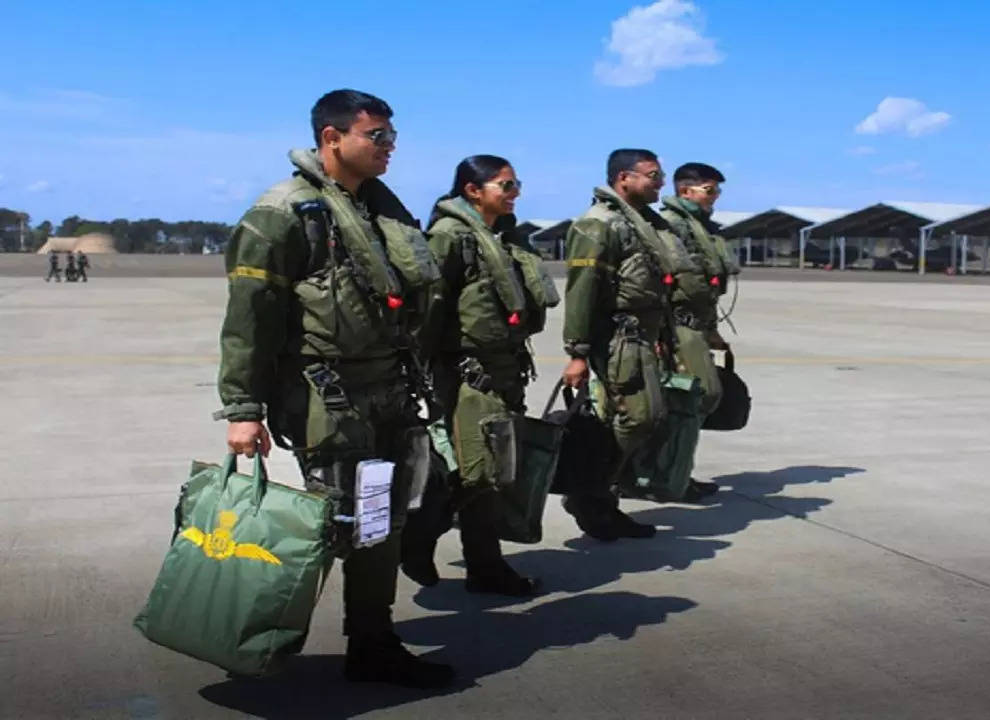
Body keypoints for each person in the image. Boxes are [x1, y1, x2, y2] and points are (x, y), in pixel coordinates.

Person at [216, 89, 452, 689]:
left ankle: (371, 640)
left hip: (390, 389)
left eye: (392, 138)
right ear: (332, 138)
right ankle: (249, 627)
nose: (390, 148)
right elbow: (249, 319)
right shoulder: (283, 213)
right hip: (329, 396)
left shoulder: (378, 211)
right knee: (334, 521)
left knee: (381, 521)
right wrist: (244, 409)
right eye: (378, 137)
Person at [399, 155, 554, 596]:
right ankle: (419, 536)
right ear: (472, 190)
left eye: (515, 184)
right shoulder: (449, 237)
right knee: (479, 472)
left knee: (494, 473)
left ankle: (486, 567)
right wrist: (424, 375)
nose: (515, 192)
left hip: (507, 369)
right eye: (505, 185)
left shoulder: (504, 238)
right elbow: (427, 311)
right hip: (469, 375)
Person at [559, 148, 690, 540]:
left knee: (646, 416)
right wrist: (578, 353)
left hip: (642, 338)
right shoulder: (598, 225)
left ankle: (600, 495)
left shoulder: (642, 223)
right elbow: (582, 291)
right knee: (637, 417)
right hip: (616, 339)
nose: (660, 182)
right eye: (652, 175)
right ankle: (589, 493)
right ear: (623, 178)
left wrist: (664, 337)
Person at [658, 162, 740, 501]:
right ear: (685, 191)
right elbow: (668, 284)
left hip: (693, 327)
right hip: (676, 327)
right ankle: (670, 474)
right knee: (694, 399)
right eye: (709, 190)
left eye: (717, 190)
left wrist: (711, 329)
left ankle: (675, 472)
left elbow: (703, 287)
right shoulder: (672, 227)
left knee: (691, 402)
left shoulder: (699, 227)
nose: (715, 197)